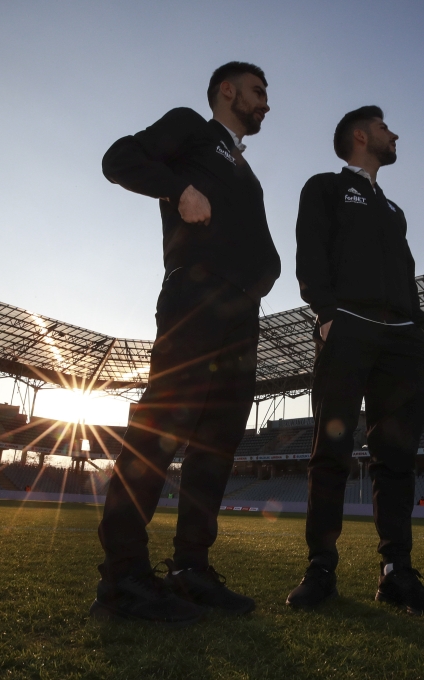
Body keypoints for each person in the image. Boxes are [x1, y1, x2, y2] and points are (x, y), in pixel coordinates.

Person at [92, 62, 280, 625]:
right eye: (258, 92)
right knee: (163, 424)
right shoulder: (191, 128)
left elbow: (258, 241)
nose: (266, 103)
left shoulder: (247, 171)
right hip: (194, 296)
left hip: (241, 313)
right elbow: (118, 159)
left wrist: (266, 270)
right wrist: (178, 189)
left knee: (218, 442)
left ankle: (192, 568)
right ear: (228, 91)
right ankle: (123, 576)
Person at [286, 106, 424, 616]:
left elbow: (403, 270)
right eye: (383, 127)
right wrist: (326, 312)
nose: (394, 133)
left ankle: (397, 572)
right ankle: (321, 568)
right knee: (331, 450)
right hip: (349, 327)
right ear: (360, 135)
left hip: (402, 338)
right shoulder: (326, 187)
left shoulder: (394, 209)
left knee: (396, 458)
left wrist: (416, 323)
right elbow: (310, 250)